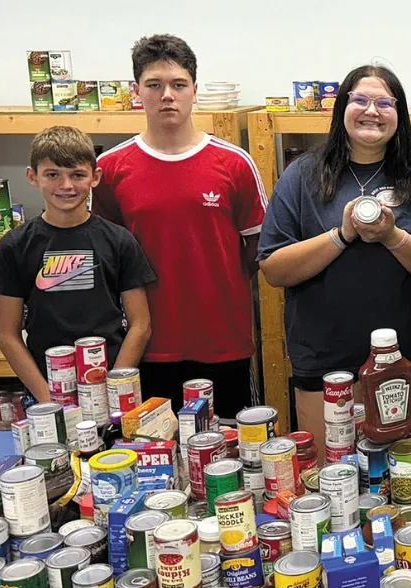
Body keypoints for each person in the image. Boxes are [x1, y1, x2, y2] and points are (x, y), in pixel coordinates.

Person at [258, 65, 411, 460]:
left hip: (405, 361)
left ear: (400, 113)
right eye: (360, 100)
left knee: (401, 478)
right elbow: (273, 268)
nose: (371, 111)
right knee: (331, 476)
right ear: (342, 107)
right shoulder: (302, 176)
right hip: (325, 363)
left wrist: (393, 237)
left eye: (384, 102)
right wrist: (341, 236)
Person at [93, 35, 267, 417]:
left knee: (233, 456)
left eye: (178, 85)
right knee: (155, 458)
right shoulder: (111, 168)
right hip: (147, 345)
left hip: (224, 344)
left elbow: (258, 252)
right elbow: (107, 256)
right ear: (137, 91)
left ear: (194, 91)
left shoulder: (235, 163)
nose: (167, 95)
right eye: (154, 85)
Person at [0, 126, 155, 403]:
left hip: (113, 384)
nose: (66, 186)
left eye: (77, 175)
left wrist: (115, 389)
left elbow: (140, 324)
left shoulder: (119, 240)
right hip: (45, 387)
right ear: (33, 176)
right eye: (53, 174)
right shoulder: (15, 246)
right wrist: (47, 397)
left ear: (95, 177)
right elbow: (8, 335)